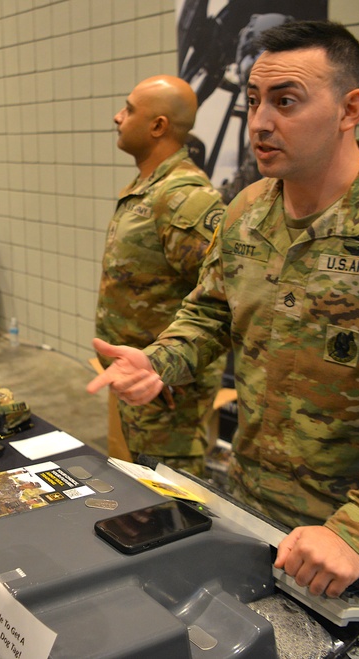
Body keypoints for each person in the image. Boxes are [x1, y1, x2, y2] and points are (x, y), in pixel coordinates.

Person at [88, 20, 359, 600]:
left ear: (349, 108)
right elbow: (211, 312)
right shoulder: (247, 212)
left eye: (286, 101)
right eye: (255, 100)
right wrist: (162, 361)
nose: (261, 121)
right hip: (254, 514)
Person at [97, 75, 226, 476]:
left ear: (158, 126)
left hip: (168, 398)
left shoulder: (184, 197)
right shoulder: (148, 186)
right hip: (139, 385)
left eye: (129, 109)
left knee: (173, 510)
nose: (118, 117)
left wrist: (167, 369)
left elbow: (222, 302)